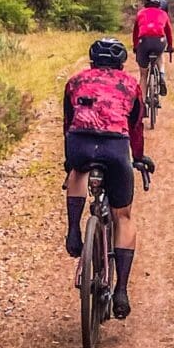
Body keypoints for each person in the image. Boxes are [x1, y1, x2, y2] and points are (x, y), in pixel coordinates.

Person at [62, 38, 147, 320]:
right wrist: (138, 156)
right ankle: (121, 290)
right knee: (123, 216)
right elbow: (135, 126)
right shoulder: (130, 84)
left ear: (91, 62)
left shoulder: (75, 81)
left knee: (77, 171)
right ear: (122, 64)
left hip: (80, 144)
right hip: (115, 147)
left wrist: (69, 157)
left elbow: (68, 122)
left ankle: (74, 230)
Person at [132, 0, 174, 95]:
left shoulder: (140, 13)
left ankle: (142, 102)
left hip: (144, 41)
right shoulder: (163, 14)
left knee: (143, 75)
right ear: (158, 5)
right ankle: (162, 74)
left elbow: (135, 32)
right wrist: (170, 46)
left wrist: (135, 46)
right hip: (159, 40)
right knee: (160, 54)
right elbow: (169, 31)